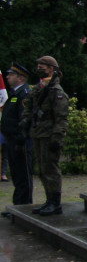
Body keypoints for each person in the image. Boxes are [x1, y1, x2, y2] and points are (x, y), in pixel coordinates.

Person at [19, 56, 68, 216]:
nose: (39, 68)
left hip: (49, 136)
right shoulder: (39, 88)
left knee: (50, 170)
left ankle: (55, 202)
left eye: (43, 66)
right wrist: (26, 121)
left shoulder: (56, 92)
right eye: (38, 65)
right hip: (38, 134)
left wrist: (57, 138)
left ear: (52, 69)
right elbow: (29, 107)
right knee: (42, 170)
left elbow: (61, 118)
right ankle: (49, 200)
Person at [1, 63, 34, 214]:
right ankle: (18, 206)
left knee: (23, 175)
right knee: (16, 175)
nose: (7, 77)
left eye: (11, 75)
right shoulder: (15, 94)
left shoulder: (24, 94)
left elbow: (25, 119)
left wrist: (21, 138)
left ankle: (25, 206)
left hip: (21, 141)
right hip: (11, 140)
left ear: (20, 78)